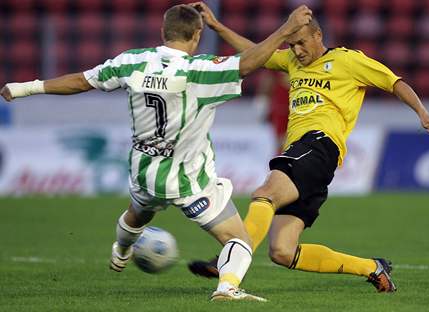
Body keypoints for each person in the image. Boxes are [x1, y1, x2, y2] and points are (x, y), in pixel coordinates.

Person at [0, 4, 313, 301]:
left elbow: (81, 81)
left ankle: (121, 251)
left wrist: (25, 87)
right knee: (239, 240)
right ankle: (226, 289)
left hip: (145, 173)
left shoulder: (131, 62)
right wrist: (285, 31)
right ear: (196, 35)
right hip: (189, 183)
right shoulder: (199, 70)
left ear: (164, 32)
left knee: (138, 214)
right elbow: (249, 62)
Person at [188, 2, 429, 292]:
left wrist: (423, 113)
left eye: (301, 43)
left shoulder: (348, 61)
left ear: (318, 36)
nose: (296, 51)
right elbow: (255, 52)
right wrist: (218, 26)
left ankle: (229, 266)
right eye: (292, 45)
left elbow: (394, 82)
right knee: (282, 252)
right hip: (311, 156)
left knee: (265, 194)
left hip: (319, 143)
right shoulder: (291, 61)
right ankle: (372, 268)